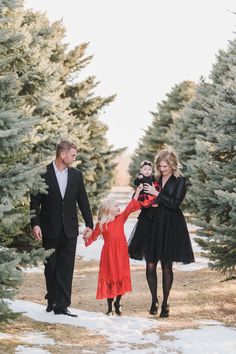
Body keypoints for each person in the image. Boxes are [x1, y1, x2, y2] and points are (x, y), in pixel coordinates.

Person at [30, 140, 93, 317]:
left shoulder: (76, 175)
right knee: (51, 266)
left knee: (66, 267)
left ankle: (62, 305)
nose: (75, 158)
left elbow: (83, 201)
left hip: (70, 229)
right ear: (62, 155)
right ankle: (52, 299)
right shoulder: (43, 173)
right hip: (49, 228)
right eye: (73, 155)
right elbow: (35, 201)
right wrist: (35, 223)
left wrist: (89, 224)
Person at [129, 148, 195, 318]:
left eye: (165, 166)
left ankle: (166, 302)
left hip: (170, 225)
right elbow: (141, 196)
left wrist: (156, 194)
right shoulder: (154, 178)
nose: (162, 169)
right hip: (151, 223)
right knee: (150, 264)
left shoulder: (180, 180)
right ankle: (154, 300)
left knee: (166, 266)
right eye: (160, 166)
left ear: (172, 165)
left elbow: (175, 203)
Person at [83, 185, 143, 316]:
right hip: (109, 255)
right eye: (115, 206)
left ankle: (118, 302)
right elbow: (92, 237)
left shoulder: (120, 218)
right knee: (110, 278)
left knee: (120, 276)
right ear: (107, 210)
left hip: (121, 252)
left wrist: (137, 191)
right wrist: (86, 236)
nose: (118, 207)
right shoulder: (101, 224)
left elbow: (130, 206)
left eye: (118, 205)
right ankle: (109, 308)